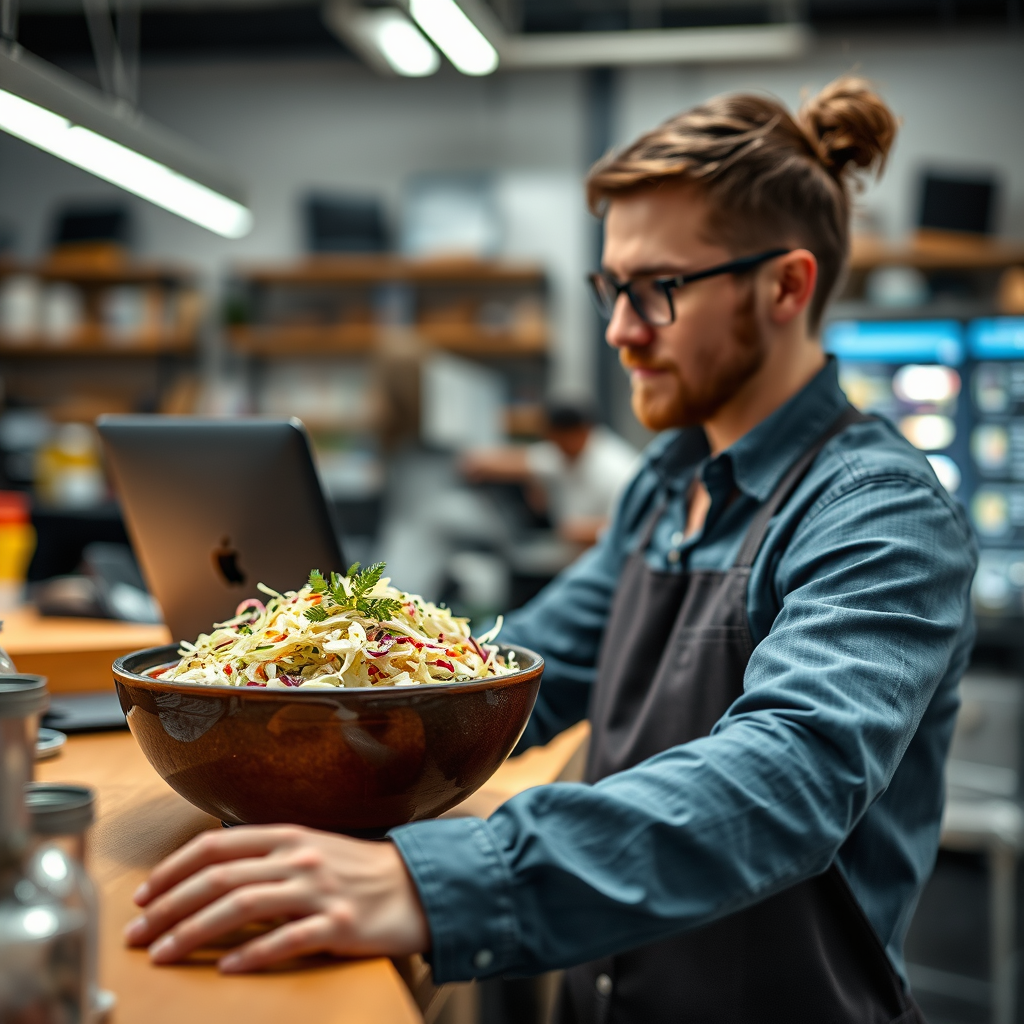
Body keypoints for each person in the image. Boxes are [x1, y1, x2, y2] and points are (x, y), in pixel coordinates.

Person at [123, 77, 977, 1023]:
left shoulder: (875, 510)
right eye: (611, 288)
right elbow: (512, 675)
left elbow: (791, 775)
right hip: (613, 986)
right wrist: (306, 689)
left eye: (658, 291)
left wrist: (429, 885)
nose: (618, 330)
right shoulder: (666, 485)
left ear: (786, 284)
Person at [460, 401, 640, 545]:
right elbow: (523, 461)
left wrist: (578, 531)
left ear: (581, 432)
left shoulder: (615, 467)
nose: (555, 448)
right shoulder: (563, 453)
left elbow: (636, 524)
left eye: (558, 441)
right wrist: (476, 462)